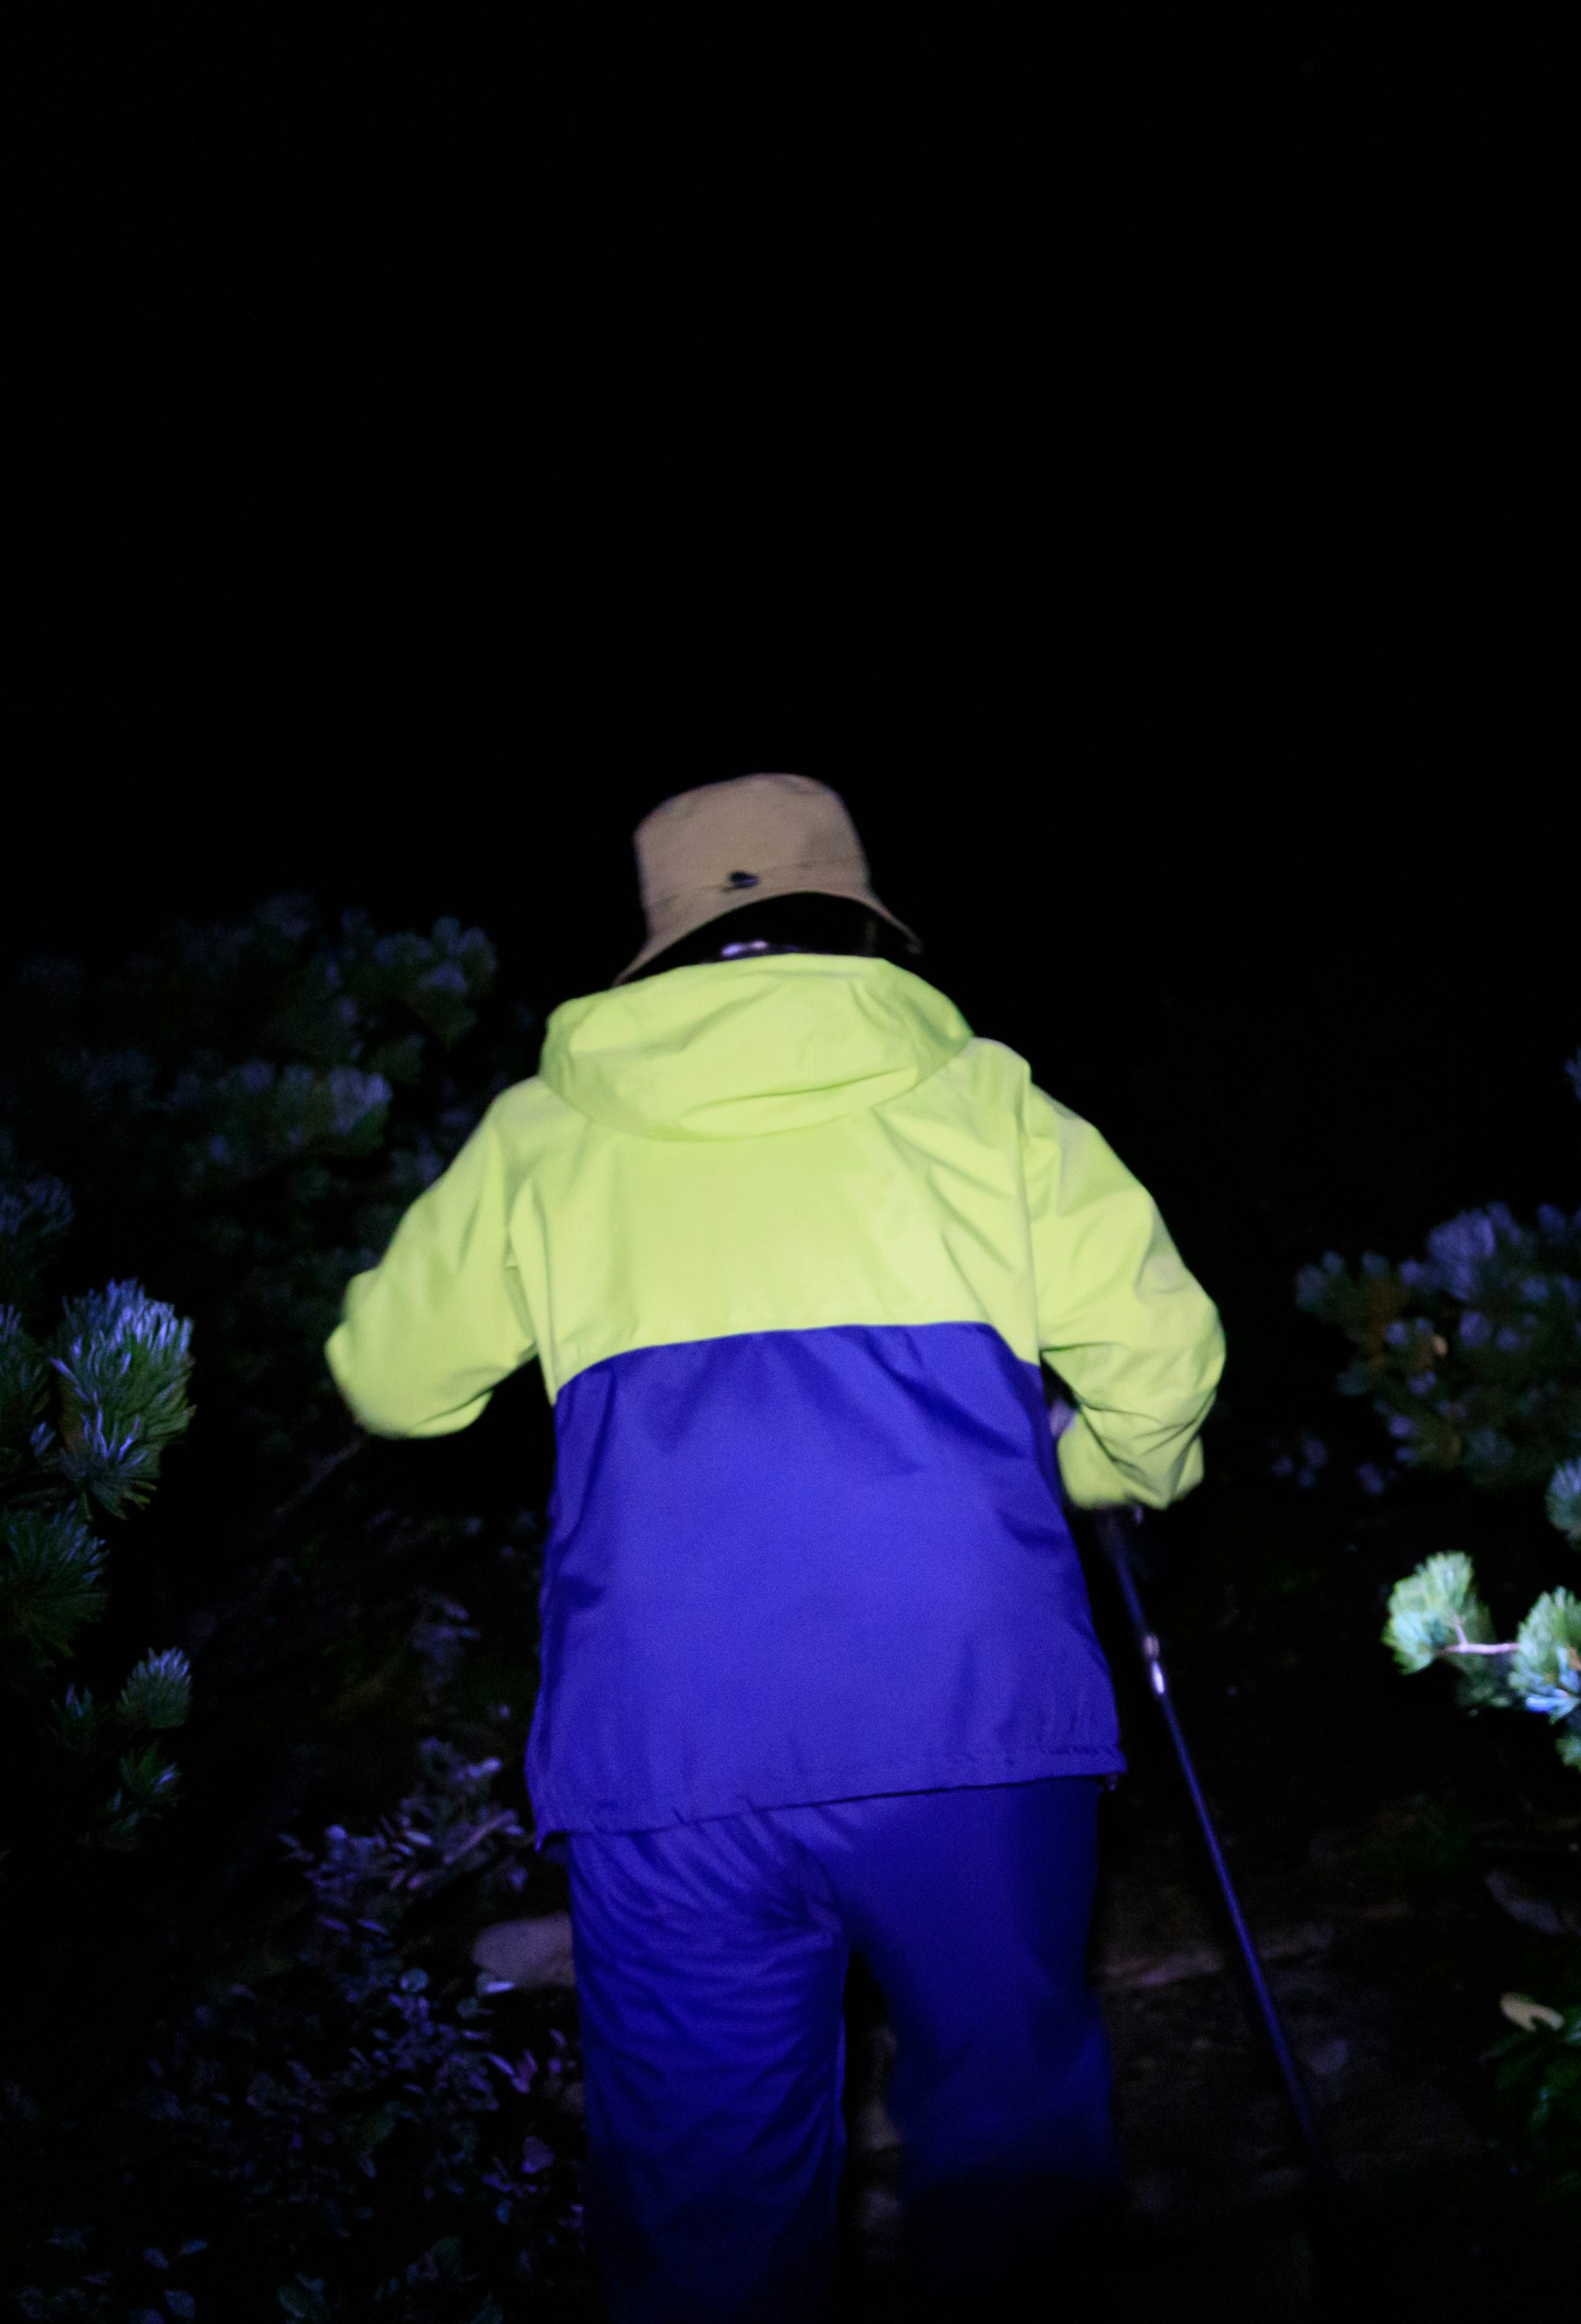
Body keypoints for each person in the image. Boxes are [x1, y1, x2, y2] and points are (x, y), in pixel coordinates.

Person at [324, 773, 1226, 2319]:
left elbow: (392, 1381)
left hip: (670, 1762)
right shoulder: (984, 1101)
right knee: (1014, 2167)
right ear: (856, 916)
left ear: (664, 942)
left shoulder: (549, 1135)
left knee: (705, 2227)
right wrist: (1098, 1465)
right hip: (976, 1729)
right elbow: (1166, 1356)